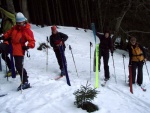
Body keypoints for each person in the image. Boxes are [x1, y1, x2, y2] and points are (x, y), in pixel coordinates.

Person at [0, 12, 35, 91]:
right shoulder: (15, 28)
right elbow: (9, 33)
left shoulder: (27, 30)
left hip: (19, 49)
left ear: (24, 21)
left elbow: (32, 41)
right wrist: (3, 37)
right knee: (1, 47)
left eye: (20, 23)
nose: (19, 24)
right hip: (11, 45)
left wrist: (28, 46)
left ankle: (25, 81)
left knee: (18, 66)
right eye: (18, 23)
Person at [0, 6, 15, 76]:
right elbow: (2, 30)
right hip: (6, 39)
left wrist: (1, 8)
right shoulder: (4, 20)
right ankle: (11, 68)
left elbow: (8, 13)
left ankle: (12, 69)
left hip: (12, 40)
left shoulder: (12, 17)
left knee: (5, 53)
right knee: (4, 55)